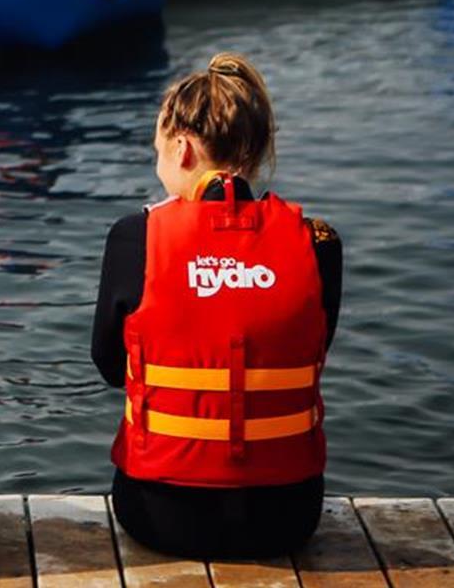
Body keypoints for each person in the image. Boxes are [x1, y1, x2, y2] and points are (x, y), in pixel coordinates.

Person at [91, 54, 342, 559]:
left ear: (182, 149)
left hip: (162, 513)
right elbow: (314, 350)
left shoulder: (134, 238)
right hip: (289, 517)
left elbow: (111, 367)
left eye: (157, 149)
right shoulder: (318, 241)